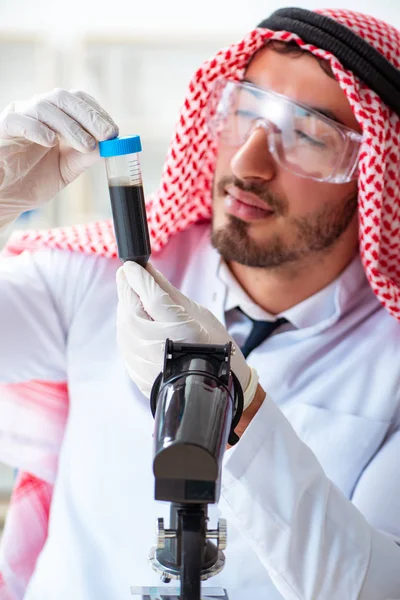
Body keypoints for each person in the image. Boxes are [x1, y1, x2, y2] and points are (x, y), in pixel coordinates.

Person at [0, 5, 400, 599]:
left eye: (310, 137)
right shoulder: (104, 272)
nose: (247, 163)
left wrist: (239, 409)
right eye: (243, 114)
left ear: (376, 172)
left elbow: (376, 585)